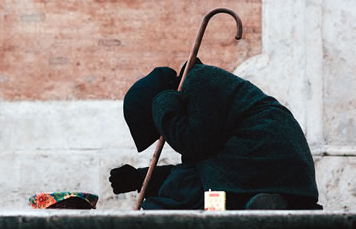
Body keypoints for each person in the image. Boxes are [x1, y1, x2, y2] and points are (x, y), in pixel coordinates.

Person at [109, 59, 322, 210]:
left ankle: (249, 200)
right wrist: (140, 178)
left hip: (265, 164)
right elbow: (200, 164)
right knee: (185, 184)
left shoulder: (199, 81)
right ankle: (250, 201)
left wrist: (162, 105)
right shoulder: (201, 87)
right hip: (263, 169)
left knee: (177, 193)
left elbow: (195, 145)